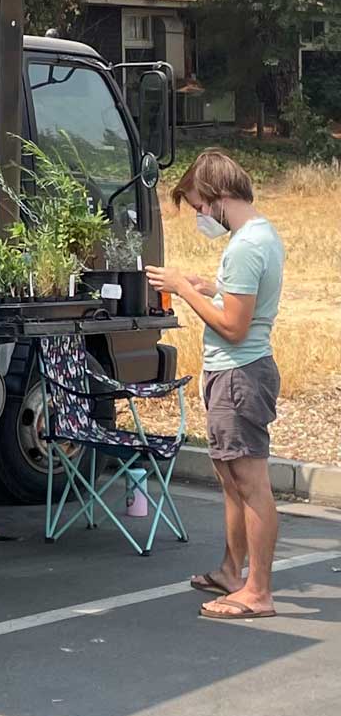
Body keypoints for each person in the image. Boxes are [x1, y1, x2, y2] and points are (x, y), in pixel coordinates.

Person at [146, 149, 285, 622]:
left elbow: (234, 327)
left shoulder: (246, 246)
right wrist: (209, 286)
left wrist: (184, 291)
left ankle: (257, 591)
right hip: (237, 373)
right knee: (231, 480)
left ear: (219, 195)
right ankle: (232, 572)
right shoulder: (260, 235)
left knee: (250, 483)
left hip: (239, 374)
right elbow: (241, 303)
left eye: (201, 207)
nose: (201, 217)